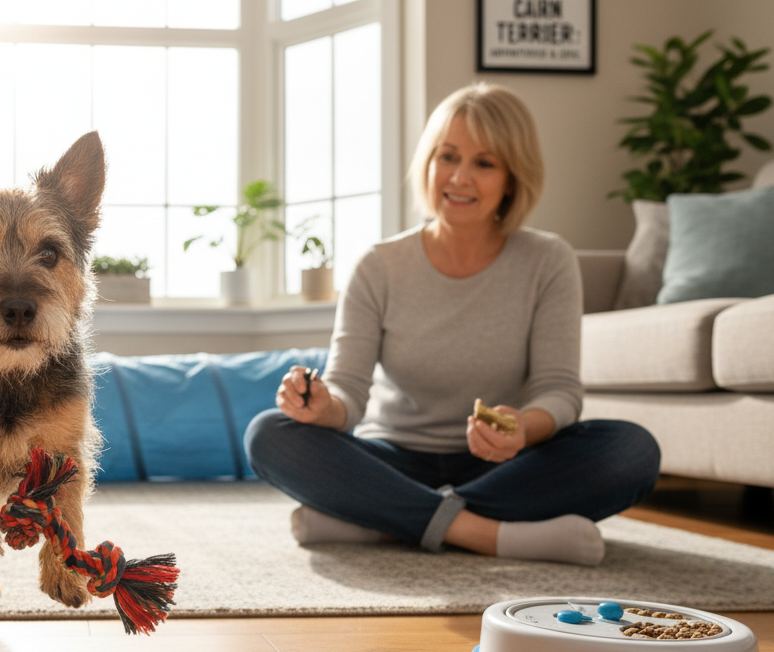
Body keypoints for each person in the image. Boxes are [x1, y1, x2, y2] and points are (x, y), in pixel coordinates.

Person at [244, 83, 660, 566]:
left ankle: (381, 522)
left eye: (484, 163)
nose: (459, 177)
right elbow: (349, 393)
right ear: (428, 163)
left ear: (512, 178)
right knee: (269, 433)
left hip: (503, 466)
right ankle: (487, 534)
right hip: (392, 461)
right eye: (447, 157)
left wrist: (522, 428)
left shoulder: (549, 260)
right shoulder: (378, 265)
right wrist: (321, 406)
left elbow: (559, 389)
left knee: (632, 450)